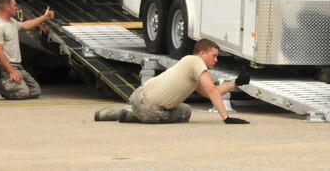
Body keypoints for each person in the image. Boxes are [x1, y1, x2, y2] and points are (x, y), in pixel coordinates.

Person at [95, 39, 248, 124]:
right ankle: (129, 114)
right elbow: (212, 91)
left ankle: (120, 113)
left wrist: (236, 82)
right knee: (184, 113)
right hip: (150, 108)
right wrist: (226, 118)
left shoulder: (190, 65)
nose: (216, 60)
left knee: (185, 110)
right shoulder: (195, 61)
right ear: (202, 53)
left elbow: (211, 93)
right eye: (214, 56)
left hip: (140, 97)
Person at [0, 0, 55, 100]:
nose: (17, 8)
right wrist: (11, 71)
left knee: (35, 91)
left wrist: (44, 17)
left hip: (18, 66)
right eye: (14, 5)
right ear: (7, 8)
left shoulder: (12, 22)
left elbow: (25, 25)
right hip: (4, 67)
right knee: (23, 93)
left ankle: (6, 85)